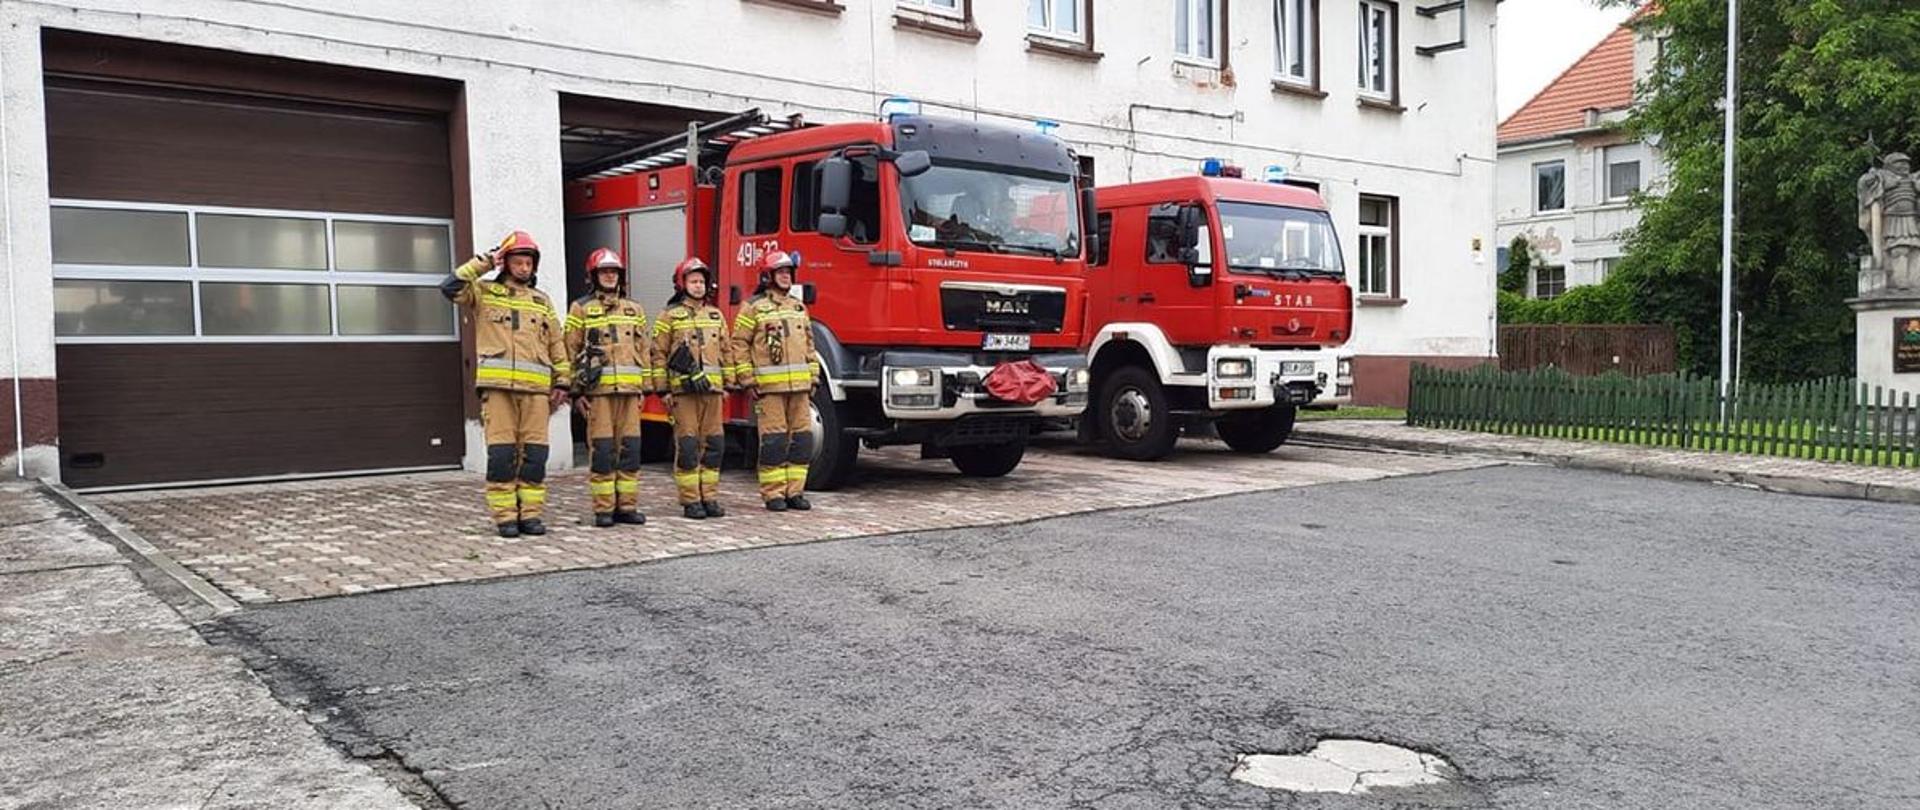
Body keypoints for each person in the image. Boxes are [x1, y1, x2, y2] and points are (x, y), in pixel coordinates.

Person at [440, 231, 571, 538]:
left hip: (537, 394)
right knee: (501, 456)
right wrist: (486, 261)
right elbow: (449, 287)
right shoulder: (484, 293)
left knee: (534, 457)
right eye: (517, 261)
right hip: (498, 390)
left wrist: (563, 383)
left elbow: (556, 344)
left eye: (528, 262)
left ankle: (531, 516)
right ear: (505, 263)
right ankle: (505, 517)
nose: (524, 268)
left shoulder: (542, 302)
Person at [564, 248, 652, 528]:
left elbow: (644, 351)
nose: (610, 276)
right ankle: (603, 509)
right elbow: (571, 350)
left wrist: (644, 389)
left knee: (629, 451)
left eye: (614, 272)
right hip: (598, 395)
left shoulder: (634, 309)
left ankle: (627, 507)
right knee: (602, 452)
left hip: (628, 393)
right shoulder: (581, 309)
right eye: (605, 272)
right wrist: (577, 393)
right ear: (594, 276)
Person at [731, 251, 820, 512]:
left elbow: (810, 345)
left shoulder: (798, 307)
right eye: (780, 272)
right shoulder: (753, 308)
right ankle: (773, 494)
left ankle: (796, 492)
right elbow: (739, 344)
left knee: (802, 441)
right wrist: (748, 379)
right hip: (769, 390)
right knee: (774, 442)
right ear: (767, 276)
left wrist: (813, 376)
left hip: (801, 389)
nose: (785, 276)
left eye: (788, 272)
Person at [650, 258, 738, 519]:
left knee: (713, 446)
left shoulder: (715, 315)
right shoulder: (669, 316)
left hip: (712, 392)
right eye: (693, 281)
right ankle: (691, 500)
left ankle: (709, 497)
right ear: (682, 283)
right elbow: (658, 354)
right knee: (688, 447)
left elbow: (727, 351)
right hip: (683, 394)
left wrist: (728, 384)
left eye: (701, 281)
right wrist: (663, 390)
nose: (698, 286)